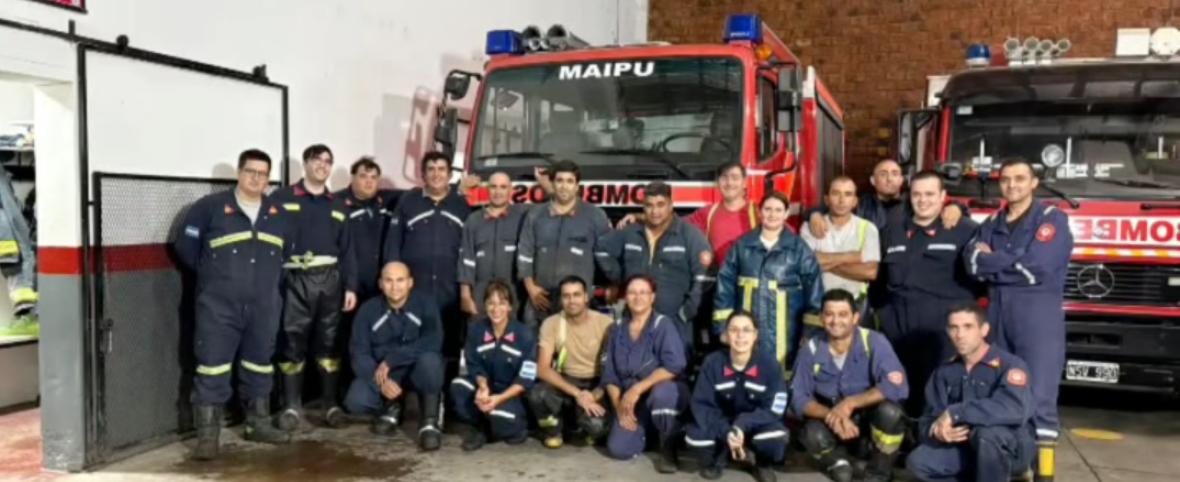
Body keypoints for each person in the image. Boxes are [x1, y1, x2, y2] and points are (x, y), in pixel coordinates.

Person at [175, 149, 290, 460]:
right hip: (218, 306)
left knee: (260, 363)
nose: (256, 178)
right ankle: (207, 437)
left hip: (264, 305)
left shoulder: (277, 213)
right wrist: (216, 279)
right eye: (251, 171)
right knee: (212, 366)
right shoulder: (209, 208)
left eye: (263, 174)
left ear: (269, 178)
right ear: (239, 173)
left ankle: (259, 424)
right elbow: (187, 249)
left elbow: (285, 254)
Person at [966, 158, 1072, 482]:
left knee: (1039, 400)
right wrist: (1009, 263)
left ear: (1034, 183)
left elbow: (1037, 267)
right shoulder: (992, 223)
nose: (1012, 185)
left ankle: (1044, 476)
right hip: (997, 316)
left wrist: (991, 262)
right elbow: (970, 264)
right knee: (1001, 392)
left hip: (1037, 318)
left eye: (1020, 179)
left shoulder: (1052, 219)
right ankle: (1013, 468)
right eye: (1006, 179)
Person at [878, 170, 979, 418]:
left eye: (930, 194)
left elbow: (980, 283)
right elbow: (879, 280)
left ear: (944, 196)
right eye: (917, 194)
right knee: (899, 397)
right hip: (899, 333)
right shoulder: (892, 230)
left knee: (940, 398)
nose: (923, 200)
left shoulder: (965, 230)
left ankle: (935, 450)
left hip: (943, 337)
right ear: (908, 197)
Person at [272, 144, 358, 431]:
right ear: (306, 164)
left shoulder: (338, 205)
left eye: (328, 161)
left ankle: (330, 405)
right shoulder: (282, 198)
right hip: (294, 280)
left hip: (330, 282)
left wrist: (351, 287)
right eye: (317, 160)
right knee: (292, 340)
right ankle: (291, 407)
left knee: (330, 343)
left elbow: (348, 250)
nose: (322, 165)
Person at [807, 159, 965, 312]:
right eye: (883, 174)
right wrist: (814, 214)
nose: (889, 178)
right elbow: (835, 207)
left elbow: (938, 205)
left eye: (895, 173)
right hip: (867, 283)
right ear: (873, 180)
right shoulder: (861, 204)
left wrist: (956, 206)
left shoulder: (914, 203)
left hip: (897, 279)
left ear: (902, 180)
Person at [906, 303, 1035, 482]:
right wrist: (938, 431)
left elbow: (1014, 408)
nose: (960, 335)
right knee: (918, 462)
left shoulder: (1010, 365)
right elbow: (926, 421)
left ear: (984, 330)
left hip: (1008, 448)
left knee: (986, 435)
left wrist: (956, 413)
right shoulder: (945, 372)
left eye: (968, 327)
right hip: (964, 449)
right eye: (953, 328)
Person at [792, 289, 908, 482]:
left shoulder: (874, 342)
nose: (835, 321)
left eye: (843, 314)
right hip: (834, 428)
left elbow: (896, 386)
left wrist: (850, 403)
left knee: (891, 413)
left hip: (867, 428)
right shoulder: (810, 349)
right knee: (810, 433)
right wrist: (831, 415)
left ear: (855, 317)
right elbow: (798, 398)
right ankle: (838, 462)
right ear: (821, 318)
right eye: (829, 314)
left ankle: (879, 472)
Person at [384, 151, 473, 382]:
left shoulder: (461, 204)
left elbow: (470, 248)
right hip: (415, 290)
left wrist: (466, 288)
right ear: (422, 174)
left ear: (449, 174)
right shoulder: (407, 202)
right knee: (410, 340)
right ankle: (408, 397)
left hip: (450, 289)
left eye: (441, 169)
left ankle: (444, 396)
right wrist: (391, 282)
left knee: (450, 343)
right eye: (431, 169)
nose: (436, 174)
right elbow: (393, 245)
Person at [596, 181, 711, 353]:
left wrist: (685, 313)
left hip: (675, 323)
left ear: (671, 205)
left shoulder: (690, 235)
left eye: (660, 205)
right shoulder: (630, 232)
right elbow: (601, 249)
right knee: (633, 371)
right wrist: (620, 279)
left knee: (675, 373)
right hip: (635, 320)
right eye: (649, 205)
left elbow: (705, 278)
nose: (654, 211)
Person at [714, 191, 824, 372]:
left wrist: (810, 332)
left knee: (785, 376)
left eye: (778, 210)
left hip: (789, 332)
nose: (772, 215)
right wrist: (722, 328)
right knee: (747, 374)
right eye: (768, 209)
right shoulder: (742, 246)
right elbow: (724, 288)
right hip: (745, 332)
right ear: (759, 211)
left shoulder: (799, 249)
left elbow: (815, 292)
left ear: (786, 213)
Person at [344, 262, 445, 451]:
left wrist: (393, 359)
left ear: (410, 282)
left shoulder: (426, 304)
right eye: (388, 280)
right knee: (355, 400)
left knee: (431, 362)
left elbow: (433, 341)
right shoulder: (367, 311)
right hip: (386, 375)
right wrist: (382, 382)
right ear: (380, 283)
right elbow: (359, 353)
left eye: (400, 280)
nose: (394, 286)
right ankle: (392, 408)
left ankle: (429, 421)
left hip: (416, 369)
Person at [685, 311, 788, 482]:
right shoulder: (712, 362)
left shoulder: (770, 365)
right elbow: (701, 405)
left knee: (775, 438)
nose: (740, 336)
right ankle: (720, 458)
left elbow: (774, 408)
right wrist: (727, 431)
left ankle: (759, 462)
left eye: (746, 330)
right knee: (695, 439)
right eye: (733, 330)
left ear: (755, 335)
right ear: (725, 335)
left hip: (755, 425)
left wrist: (742, 425)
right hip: (721, 425)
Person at [602, 275, 688, 472]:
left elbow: (675, 365)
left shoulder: (663, 325)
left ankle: (668, 445)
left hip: (659, 395)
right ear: (625, 297)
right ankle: (649, 433)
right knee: (619, 449)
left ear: (652, 297)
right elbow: (610, 375)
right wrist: (619, 408)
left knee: (663, 393)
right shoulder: (617, 329)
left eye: (643, 293)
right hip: (632, 402)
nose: (637, 297)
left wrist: (638, 388)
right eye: (632, 292)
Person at [517, 160, 611, 325]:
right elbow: (525, 252)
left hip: (578, 303)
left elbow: (607, 256)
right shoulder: (535, 215)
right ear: (552, 183)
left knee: (576, 349)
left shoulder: (595, 216)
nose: (564, 186)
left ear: (577, 186)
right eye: (559, 181)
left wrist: (612, 285)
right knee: (537, 348)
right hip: (541, 299)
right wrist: (531, 288)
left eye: (569, 181)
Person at [449, 279, 538, 451]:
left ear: (510, 306)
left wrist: (500, 398)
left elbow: (526, 378)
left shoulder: (524, 334)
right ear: (485, 305)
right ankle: (483, 426)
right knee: (458, 386)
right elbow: (473, 364)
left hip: (512, 395)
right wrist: (482, 387)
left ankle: (510, 427)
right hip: (488, 391)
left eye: (502, 303)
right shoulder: (476, 330)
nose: (496, 309)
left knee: (501, 416)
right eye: (491, 303)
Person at [528, 275, 615, 449]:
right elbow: (543, 369)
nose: (571, 300)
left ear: (586, 297)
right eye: (566, 296)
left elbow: (614, 369)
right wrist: (578, 394)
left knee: (597, 427)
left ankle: (579, 424)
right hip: (567, 382)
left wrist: (595, 395)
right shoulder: (551, 323)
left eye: (576, 295)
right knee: (538, 395)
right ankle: (553, 431)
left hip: (597, 383)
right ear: (561, 299)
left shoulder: (606, 324)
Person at [458, 171, 530, 318]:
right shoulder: (473, 220)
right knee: (479, 336)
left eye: (503, 187)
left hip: (513, 293)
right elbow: (466, 259)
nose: (498, 192)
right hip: (480, 294)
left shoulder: (524, 217)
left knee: (512, 338)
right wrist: (465, 295)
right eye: (493, 187)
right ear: (487, 189)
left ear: (511, 190)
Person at [800, 176, 880, 307]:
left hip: (855, 303)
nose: (841, 200)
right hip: (817, 303)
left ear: (855, 201)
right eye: (836, 193)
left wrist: (823, 261)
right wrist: (852, 256)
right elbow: (805, 266)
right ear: (826, 199)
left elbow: (870, 272)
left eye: (848, 194)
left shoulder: (868, 229)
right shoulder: (809, 227)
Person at [337, 157, 397, 303]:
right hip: (348, 288)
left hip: (380, 287)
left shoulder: (389, 200)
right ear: (352, 177)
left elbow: (420, 193)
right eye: (363, 176)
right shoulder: (336, 203)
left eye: (374, 177)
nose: (369, 181)